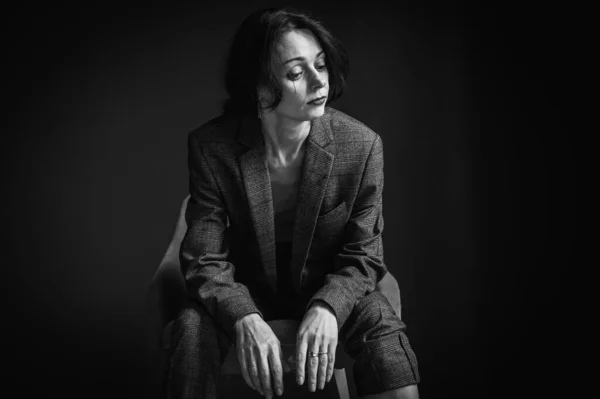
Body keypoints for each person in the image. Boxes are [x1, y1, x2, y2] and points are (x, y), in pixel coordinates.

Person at [168, 6, 420, 399]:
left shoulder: (361, 145)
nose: (320, 81)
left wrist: (328, 308)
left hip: (328, 284)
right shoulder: (211, 147)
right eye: (297, 73)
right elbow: (204, 259)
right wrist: (244, 316)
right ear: (259, 88)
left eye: (321, 65)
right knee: (190, 326)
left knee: (382, 331)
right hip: (244, 287)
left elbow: (364, 255)